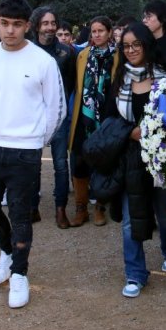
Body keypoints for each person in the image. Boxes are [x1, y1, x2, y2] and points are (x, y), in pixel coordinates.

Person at [0, 0, 65, 309]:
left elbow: (56, 108)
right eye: (4, 24)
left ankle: (19, 273)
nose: (9, 30)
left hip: (26, 150)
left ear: (27, 26)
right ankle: (8, 250)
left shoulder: (43, 61)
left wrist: (37, 139)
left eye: (16, 25)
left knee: (20, 214)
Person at [105, 22, 166, 298]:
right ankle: (135, 274)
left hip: (160, 157)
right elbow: (109, 120)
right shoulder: (118, 79)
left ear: (147, 45)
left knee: (164, 214)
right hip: (129, 158)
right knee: (130, 219)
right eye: (126, 46)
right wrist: (130, 132)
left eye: (136, 44)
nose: (131, 50)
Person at [68, 16, 119, 227]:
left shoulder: (118, 55)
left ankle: (99, 205)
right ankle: (81, 208)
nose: (97, 35)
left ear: (109, 32)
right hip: (84, 115)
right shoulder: (82, 55)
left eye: (101, 31)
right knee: (79, 160)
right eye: (94, 31)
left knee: (102, 161)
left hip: (107, 115)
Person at [29, 6, 77, 228]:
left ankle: (60, 209)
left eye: (53, 23)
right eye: (45, 23)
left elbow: (70, 86)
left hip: (58, 116)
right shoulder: (27, 51)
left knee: (60, 164)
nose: (50, 27)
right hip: (31, 117)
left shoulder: (66, 53)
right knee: (31, 164)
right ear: (37, 25)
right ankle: (32, 207)